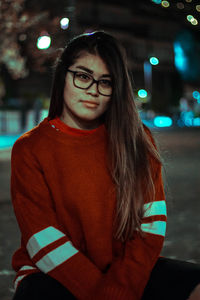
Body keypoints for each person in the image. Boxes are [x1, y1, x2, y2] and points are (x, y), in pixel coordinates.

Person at [11, 31, 200, 300]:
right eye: (83, 76)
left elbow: (150, 225)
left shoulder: (136, 138)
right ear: (63, 75)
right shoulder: (30, 148)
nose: (93, 90)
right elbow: (43, 239)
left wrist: (120, 287)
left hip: (122, 270)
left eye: (105, 82)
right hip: (50, 274)